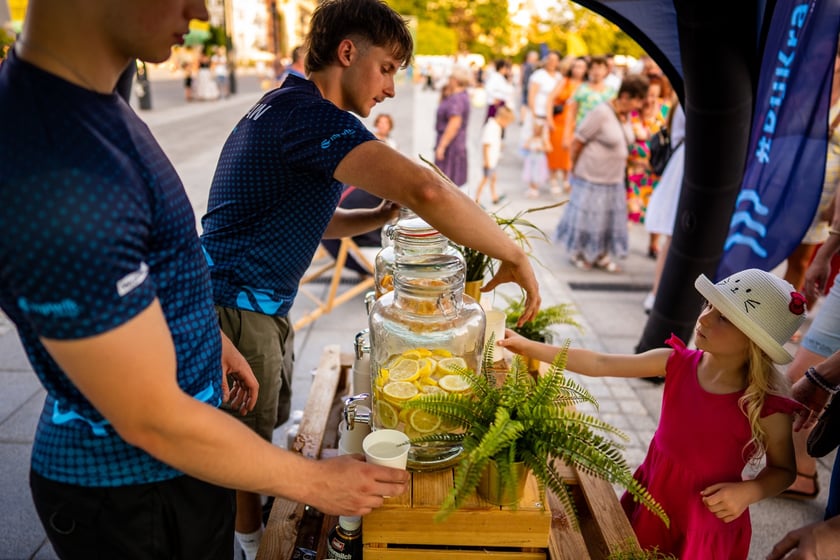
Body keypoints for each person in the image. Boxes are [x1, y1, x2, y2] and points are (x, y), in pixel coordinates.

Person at [0, 1, 411, 559]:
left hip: (174, 473)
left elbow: (160, 267)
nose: (199, 10)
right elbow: (149, 418)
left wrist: (209, 337)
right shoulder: (57, 165)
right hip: (130, 492)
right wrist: (317, 482)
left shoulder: (93, 108)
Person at [199, 1, 541, 556]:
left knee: (256, 433)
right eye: (386, 69)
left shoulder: (286, 106)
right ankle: (249, 541)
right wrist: (513, 253)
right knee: (242, 445)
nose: (390, 89)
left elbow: (302, 217)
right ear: (347, 52)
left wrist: (377, 216)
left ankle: (247, 527)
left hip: (249, 305)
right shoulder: (311, 117)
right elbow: (427, 189)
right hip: (236, 310)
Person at [500, 268, 807, 560]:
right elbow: (600, 363)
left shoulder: (763, 405)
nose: (704, 317)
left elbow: (783, 470)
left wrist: (749, 491)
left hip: (704, 519)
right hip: (652, 497)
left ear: (754, 341)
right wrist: (528, 347)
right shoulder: (675, 362)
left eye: (724, 317)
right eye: (710, 305)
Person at [554, 74, 649, 273]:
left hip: (614, 178)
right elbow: (578, 141)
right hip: (591, 177)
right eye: (638, 100)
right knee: (587, 218)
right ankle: (579, 253)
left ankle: (601, 254)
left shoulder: (627, 116)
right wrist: (573, 169)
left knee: (608, 220)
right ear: (625, 96)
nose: (640, 105)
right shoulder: (601, 112)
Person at [642, 100, 685, 313]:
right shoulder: (686, 104)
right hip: (686, 167)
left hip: (682, 165)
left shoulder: (678, 104)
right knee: (672, 235)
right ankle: (657, 293)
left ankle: (658, 293)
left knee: (672, 236)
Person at [546, 56, 587, 193]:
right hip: (560, 121)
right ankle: (553, 178)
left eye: (581, 67)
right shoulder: (565, 81)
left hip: (577, 123)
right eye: (575, 66)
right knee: (556, 151)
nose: (577, 70)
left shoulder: (585, 85)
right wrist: (549, 119)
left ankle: (566, 179)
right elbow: (550, 99)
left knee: (569, 153)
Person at [434, 65, 472, 188]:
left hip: (451, 146)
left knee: (445, 185)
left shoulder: (457, 99)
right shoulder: (462, 96)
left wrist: (442, 146)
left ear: (455, 80)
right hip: (457, 144)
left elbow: (454, 124)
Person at [474, 105, 515, 206]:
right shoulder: (491, 127)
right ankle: (477, 199)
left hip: (493, 160)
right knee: (485, 179)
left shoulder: (497, 127)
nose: (506, 126)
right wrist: (486, 161)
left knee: (493, 178)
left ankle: (494, 196)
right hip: (489, 161)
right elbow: (486, 145)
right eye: (507, 123)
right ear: (503, 119)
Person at [522, 119, 551, 199]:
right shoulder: (531, 138)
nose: (535, 131)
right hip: (531, 158)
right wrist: (528, 146)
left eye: (536, 129)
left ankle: (535, 189)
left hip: (539, 159)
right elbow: (524, 146)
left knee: (537, 173)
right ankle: (531, 188)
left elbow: (549, 148)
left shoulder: (543, 139)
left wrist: (541, 148)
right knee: (530, 173)